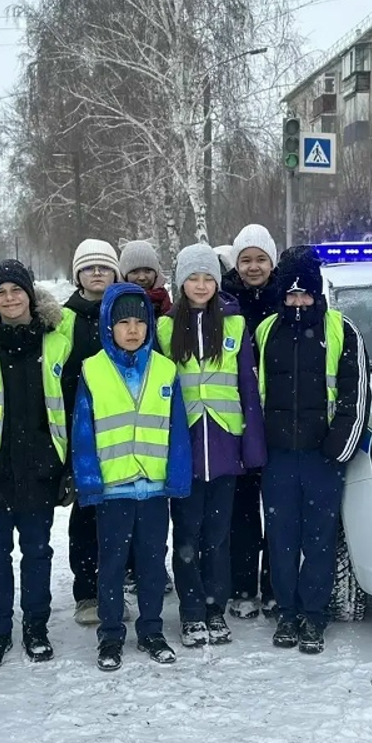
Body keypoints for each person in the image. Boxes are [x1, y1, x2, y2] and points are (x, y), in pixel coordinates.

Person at [255, 246, 369, 655]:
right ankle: (287, 611)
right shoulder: (266, 332)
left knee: (319, 539)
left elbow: (356, 394)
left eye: (305, 295)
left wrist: (339, 447)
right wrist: (258, 445)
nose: (298, 302)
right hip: (279, 456)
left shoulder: (342, 330)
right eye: (290, 295)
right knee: (281, 537)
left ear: (317, 295)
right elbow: (253, 395)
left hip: (324, 456)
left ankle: (313, 615)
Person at [72, 283, 191, 671]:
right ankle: (110, 635)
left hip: (154, 489)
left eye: (140, 321)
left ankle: (152, 630)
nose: (133, 329)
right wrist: (89, 483)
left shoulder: (165, 368)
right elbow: (84, 432)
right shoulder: (93, 370)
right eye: (123, 322)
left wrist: (177, 478)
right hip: (114, 490)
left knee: (153, 564)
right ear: (109, 325)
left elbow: (176, 429)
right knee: (111, 564)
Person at [158, 244, 266, 648]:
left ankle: (214, 607)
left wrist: (251, 446)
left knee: (218, 536)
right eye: (193, 278)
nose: (201, 286)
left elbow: (248, 389)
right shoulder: (166, 329)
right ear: (181, 282)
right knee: (186, 535)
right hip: (184, 446)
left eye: (208, 278)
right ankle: (191, 612)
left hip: (224, 445)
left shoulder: (236, 326)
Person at [0, 260, 72, 670]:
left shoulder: (58, 343)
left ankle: (35, 627)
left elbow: (69, 406)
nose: (9, 299)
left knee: (37, 551)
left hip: (42, 467)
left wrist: (65, 465)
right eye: (0, 292)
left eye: (16, 290)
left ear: (30, 293)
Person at [221, 223, 279, 619]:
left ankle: (274, 586)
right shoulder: (225, 301)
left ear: (272, 263)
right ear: (236, 263)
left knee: (275, 509)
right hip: (237, 419)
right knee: (241, 511)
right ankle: (242, 586)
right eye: (246, 260)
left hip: (276, 419)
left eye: (261, 259)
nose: (253, 267)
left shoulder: (287, 298)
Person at [62, 239, 120, 626]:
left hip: (125, 428)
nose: (96, 273)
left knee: (120, 511)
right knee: (86, 511)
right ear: (77, 274)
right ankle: (86, 592)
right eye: (89, 267)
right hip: (79, 426)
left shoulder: (128, 310)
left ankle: (115, 588)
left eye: (103, 267)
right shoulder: (63, 319)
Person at [119, 240, 173, 315]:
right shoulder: (116, 301)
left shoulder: (164, 300)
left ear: (156, 273)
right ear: (124, 276)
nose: (142, 277)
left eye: (148, 271)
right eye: (134, 271)